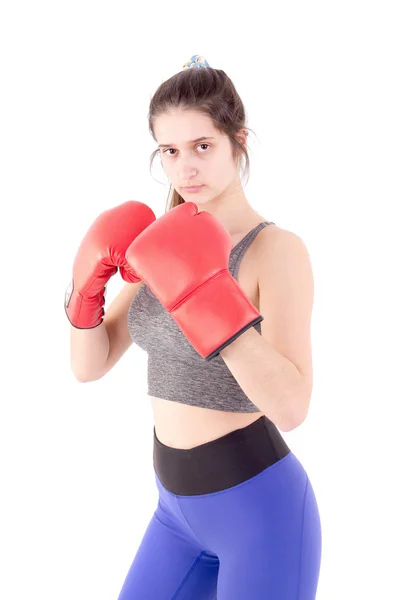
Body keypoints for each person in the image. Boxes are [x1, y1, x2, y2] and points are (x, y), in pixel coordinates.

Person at [66, 55, 322, 599]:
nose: (186, 168)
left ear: (238, 140)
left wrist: (209, 297)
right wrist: (85, 291)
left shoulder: (274, 250)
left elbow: (293, 407)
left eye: (202, 146)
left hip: (260, 512)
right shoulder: (160, 244)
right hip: (173, 513)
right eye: (170, 151)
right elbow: (90, 365)